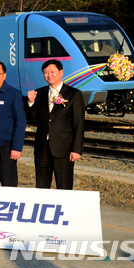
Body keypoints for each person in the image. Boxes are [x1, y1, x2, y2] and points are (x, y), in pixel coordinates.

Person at [27, 59, 85, 190]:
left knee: (64, 185)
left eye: (52, 71)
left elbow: (79, 124)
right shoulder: (39, 93)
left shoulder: (74, 94)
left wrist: (76, 149)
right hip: (42, 147)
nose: (49, 75)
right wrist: (31, 103)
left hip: (63, 148)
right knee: (41, 185)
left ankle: (65, 210)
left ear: (61, 72)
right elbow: (35, 120)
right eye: (45, 72)